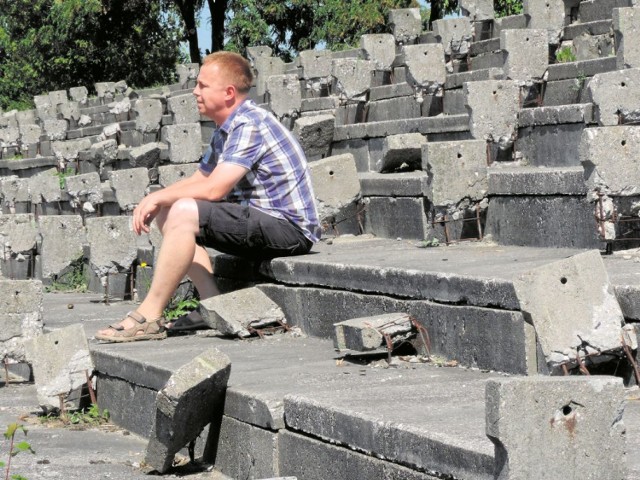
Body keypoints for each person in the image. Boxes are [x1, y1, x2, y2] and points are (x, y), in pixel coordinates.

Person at [96, 51, 321, 342]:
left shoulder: (249, 124)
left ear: (228, 93)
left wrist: (157, 197)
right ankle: (214, 304)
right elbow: (201, 179)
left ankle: (149, 316)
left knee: (183, 210)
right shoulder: (225, 130)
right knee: (171, 209)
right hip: (262, 221)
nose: (194, 91)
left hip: (288, 228)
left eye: (202, 85)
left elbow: (215, 189)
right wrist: (160, 199)